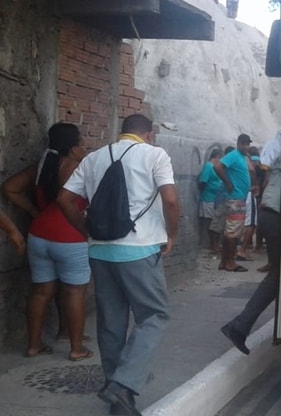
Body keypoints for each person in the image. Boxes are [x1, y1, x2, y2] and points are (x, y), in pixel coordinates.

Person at [57, 114, 179, 416]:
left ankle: (119, 403)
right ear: (149, 134)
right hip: (139, 249)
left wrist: (85, 231)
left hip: (100, 251)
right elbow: (171, 200)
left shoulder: (95, 157)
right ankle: (123, 385)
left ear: (121, 132)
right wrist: (172, 234)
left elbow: (64, 199)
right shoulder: (155, 154)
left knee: (111, 324)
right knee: (153, 315)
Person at [2, 123, 92, 361]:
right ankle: (76, 348)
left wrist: (33, 210)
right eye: (81, 142)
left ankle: (33, 346)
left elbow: (9, 188)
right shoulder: (82, 168)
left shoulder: (42, 167)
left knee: (41, 292)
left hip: (38, 235)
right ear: (73, 147)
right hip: (71, 236)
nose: (85, 146)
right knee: (74, 292)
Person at [221, 129, 281, 354]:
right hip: (277, 214)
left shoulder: (279, 144)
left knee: (279, 275)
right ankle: (239, 326)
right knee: (280, 274)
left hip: (271, 212)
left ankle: (240, 326)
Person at [213, 133, 255, 273]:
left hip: (238, 198)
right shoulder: (234, 155)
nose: (246, 146)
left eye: (247, 144)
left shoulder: (242, 157)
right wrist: (228, 183)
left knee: (230, 232)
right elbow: (218, 167)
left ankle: (224, 261)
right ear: (238, 144)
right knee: (233, 232)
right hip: (235, 199)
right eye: (243, 144)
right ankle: (230, 262)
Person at [198, 148, 226, 256]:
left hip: (215, 199)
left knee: (215, 223)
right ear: (217, 157)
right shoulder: (209, 166)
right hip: (208, 199)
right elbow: (203, 182)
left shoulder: (214, 167)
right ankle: (213, 245)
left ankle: (215, 245)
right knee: (211, 223)